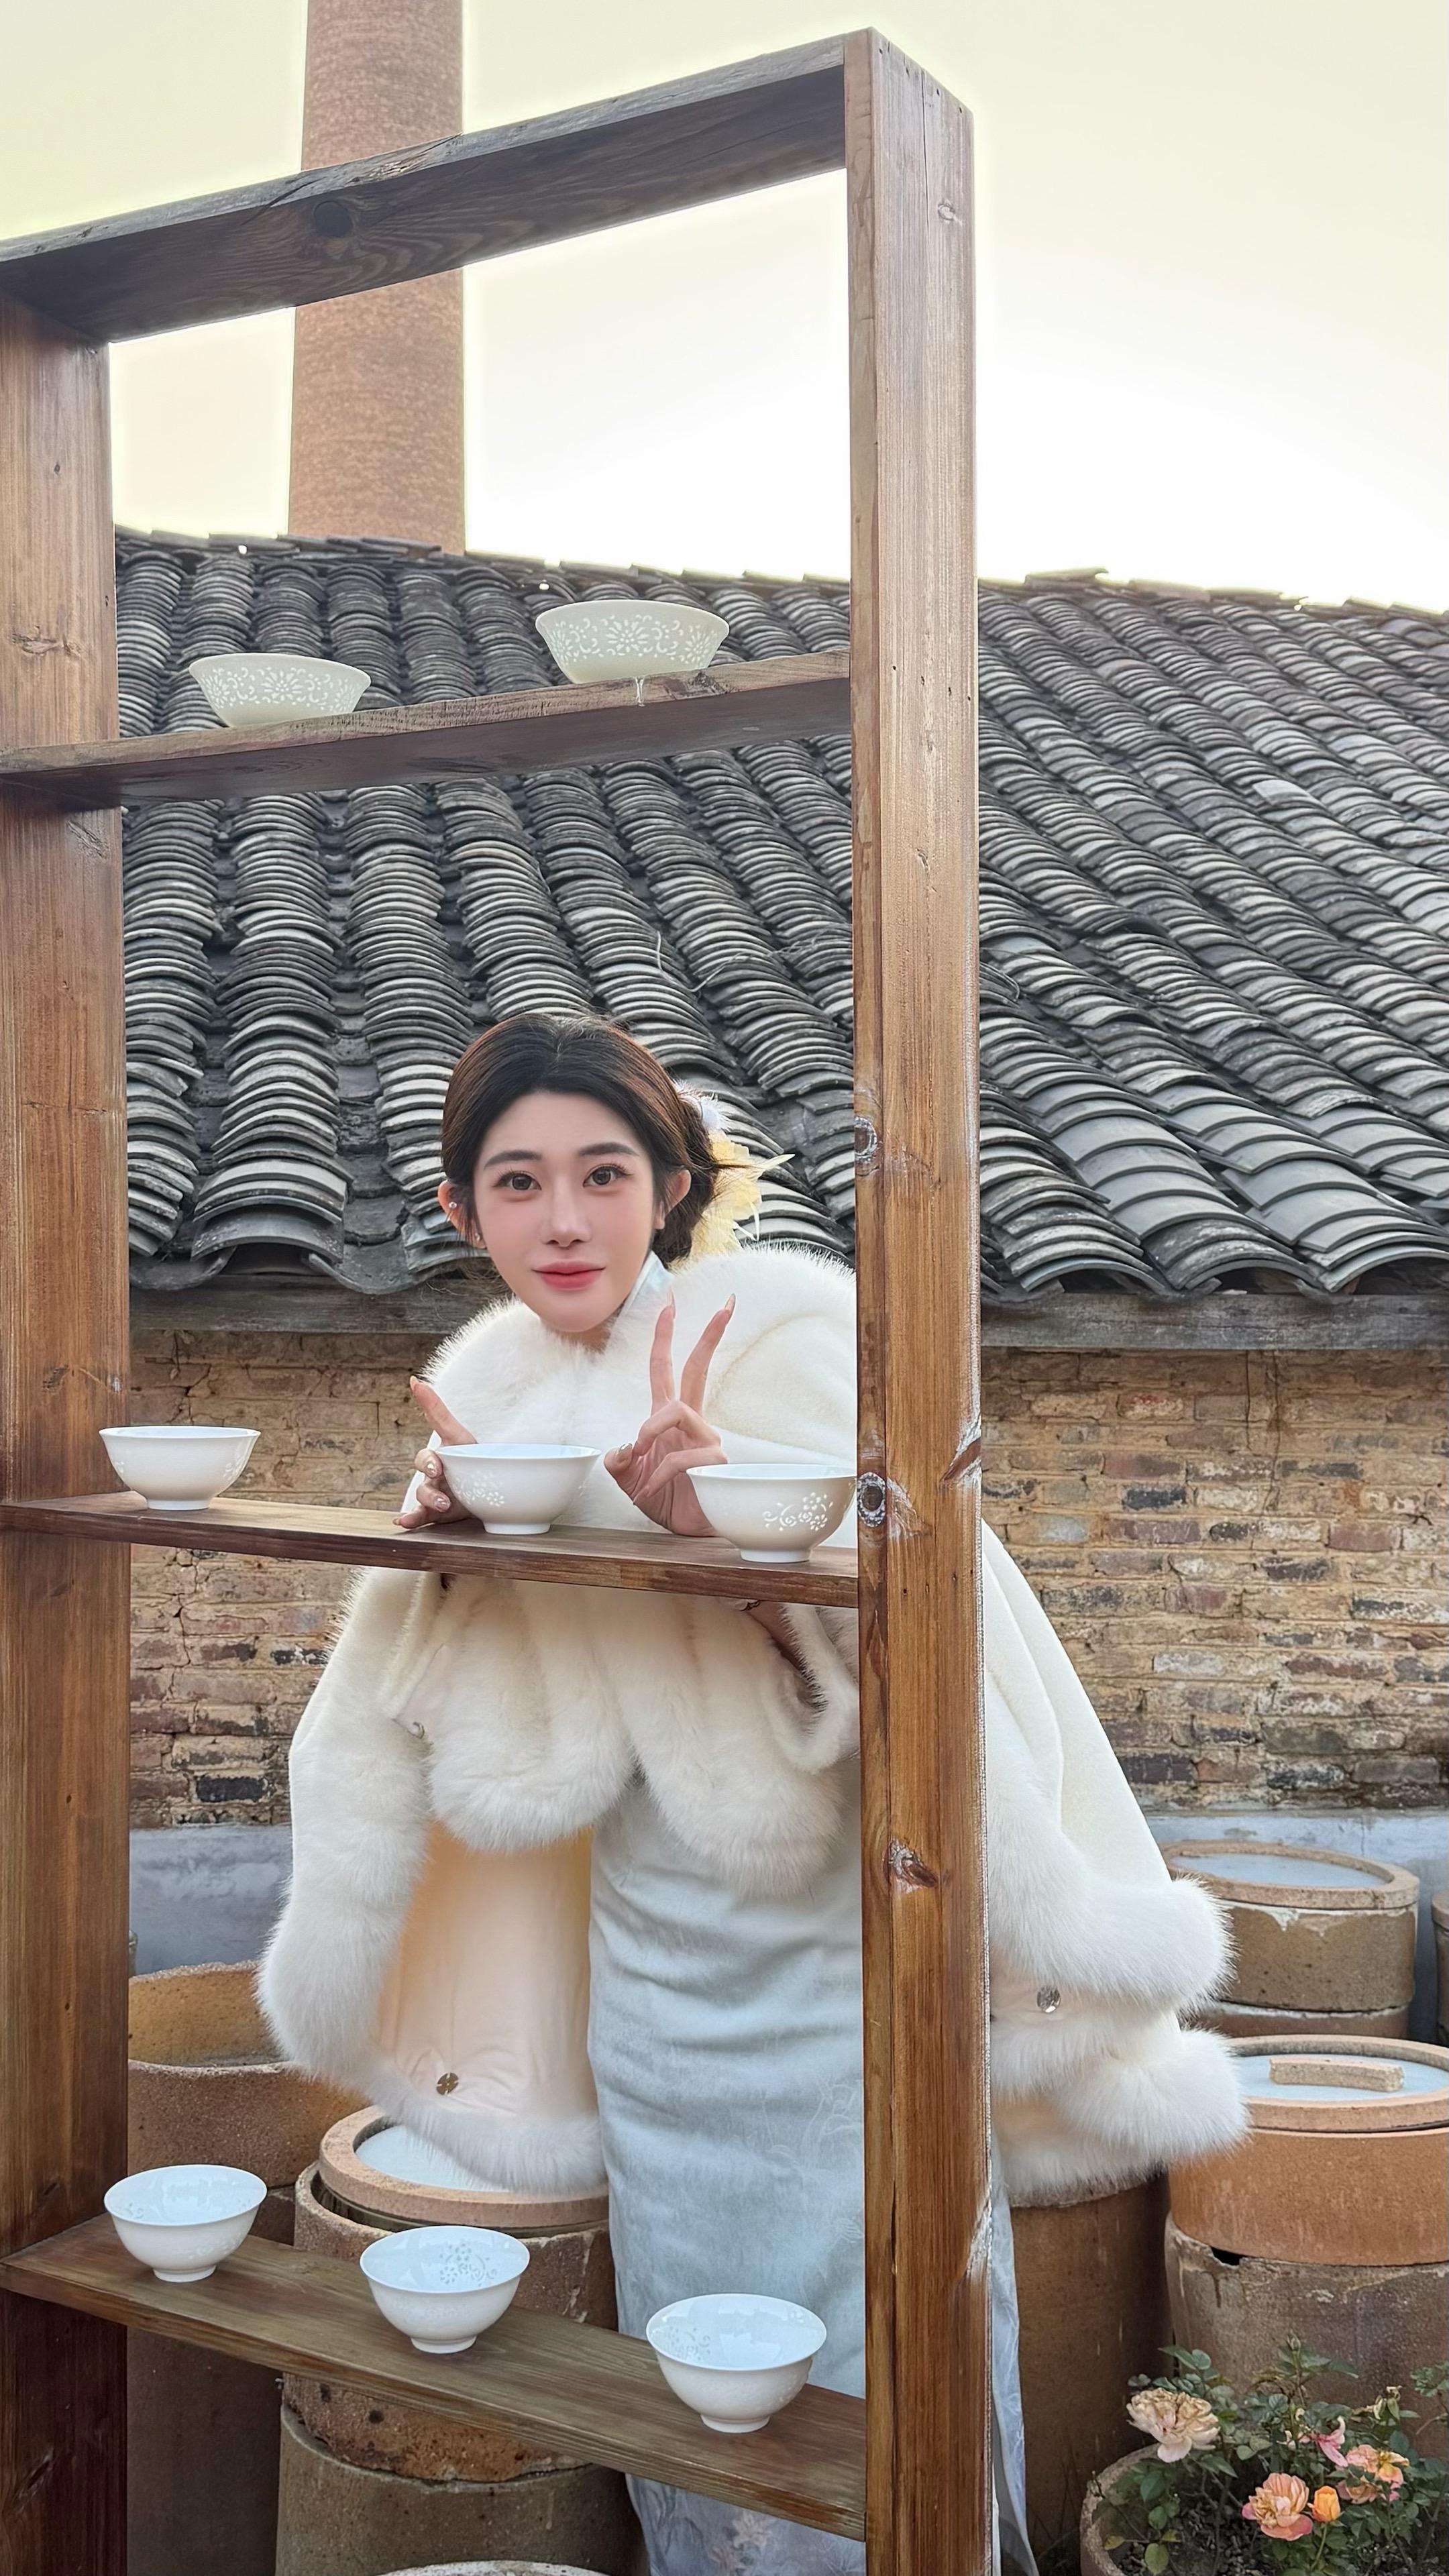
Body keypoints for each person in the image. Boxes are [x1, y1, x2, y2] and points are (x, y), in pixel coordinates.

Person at [261, 1014, 1244, 2576]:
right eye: (518, 1182)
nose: (564, 1219)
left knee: (881, 2366)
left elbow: (948, 1668)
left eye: (603, 1174)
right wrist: (452, 1571)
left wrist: (736, 1545)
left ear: (673, 1187)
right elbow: (495, 1749)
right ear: (460, 1209)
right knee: (701, 2373)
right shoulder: (493, 1389)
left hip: (846, 1965)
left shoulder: (788, 1339)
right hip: (650, 1977)